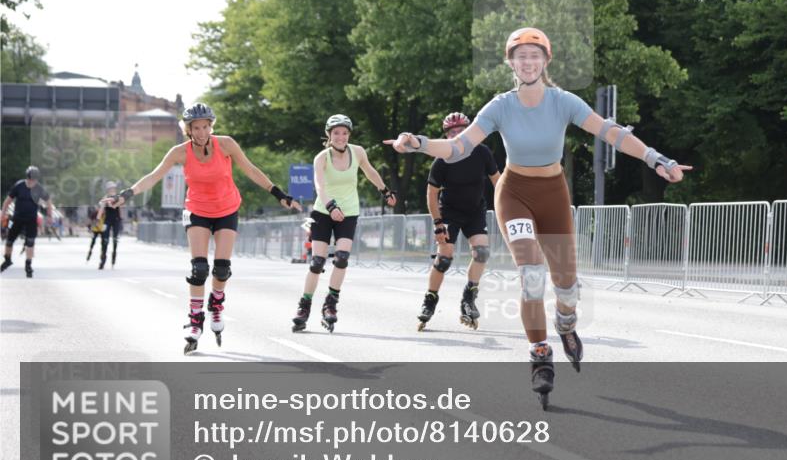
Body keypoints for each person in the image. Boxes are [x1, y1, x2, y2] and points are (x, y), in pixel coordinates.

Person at [386, 27, 691, 408]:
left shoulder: (563, 101)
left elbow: (609, 132)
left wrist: (655, 158)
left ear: (546, 61)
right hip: (513, 193)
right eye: (520, 56)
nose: (527, 62)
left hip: (553, 195)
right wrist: (418, 144)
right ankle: (540, 353)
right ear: (510, 63)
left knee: (566, 287)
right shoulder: (500, 105)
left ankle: (566, 323)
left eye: (535, 55)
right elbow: (458, 145)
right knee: (531, 275)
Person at [101, 103, 301, 354]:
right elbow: (153, 176)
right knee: (199, 269)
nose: (202, 132)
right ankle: (195, 319)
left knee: (221, 268)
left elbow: (250, 169)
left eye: (206, 126)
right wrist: (125, 194)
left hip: (227, 209)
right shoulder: (179, 152)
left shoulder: (226, 144)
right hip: (197, 210)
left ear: (211, 126)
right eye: (196, 127)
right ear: (188, 129)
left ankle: (216, 304)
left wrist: (279, 194)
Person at [292, 114, 397, 333]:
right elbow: (319, 186)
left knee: (341, 258)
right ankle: (305, 305)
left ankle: (330, 304)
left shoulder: (357, 152)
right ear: (329, 135)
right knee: (317, 262)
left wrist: (385, 190)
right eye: (336, 133)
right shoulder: (322, 157)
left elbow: (369, 171)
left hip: (349, 212)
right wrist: (331, 206)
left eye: (345, 133)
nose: (341, 137)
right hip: (323, 212)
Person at [417, 111, 500, 331]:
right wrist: (437, 224)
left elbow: (498, 182)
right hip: (450, 212)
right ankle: (430, 300)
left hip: (475, 211)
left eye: (461, 130)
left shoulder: (482, 152)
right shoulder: (442, 160)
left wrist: (508, 208)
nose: (457, 135)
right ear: (446, 137)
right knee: (444, 258)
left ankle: (469, 296)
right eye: (452, 132)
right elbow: (431, 194)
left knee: (482, 252)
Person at [1, 166, 53, 278]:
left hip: (31, 219)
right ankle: (7, 259)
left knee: (30, 242)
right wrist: (3, 214)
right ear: (27, 178)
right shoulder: (19, 186)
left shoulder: (39, 189)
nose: (32, 182)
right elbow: (7, 201)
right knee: (9, 240)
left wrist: (50, 216)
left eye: (34, 180)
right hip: (17, 218)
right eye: (30, 179)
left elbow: (48, 202)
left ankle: (28, 264)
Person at [96, 181, 124, 269]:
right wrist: (98, 219)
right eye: (110, 189)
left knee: (115, 240)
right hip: (107, 221)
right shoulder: (105, 198)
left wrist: (121, 220)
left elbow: (120, 210)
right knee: (105, 240)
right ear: (107, 190)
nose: (112, 190)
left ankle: (113, 257)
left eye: (113, 188)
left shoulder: (119, 198)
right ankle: (103, 259)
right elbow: (101, 210)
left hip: (116, 221)